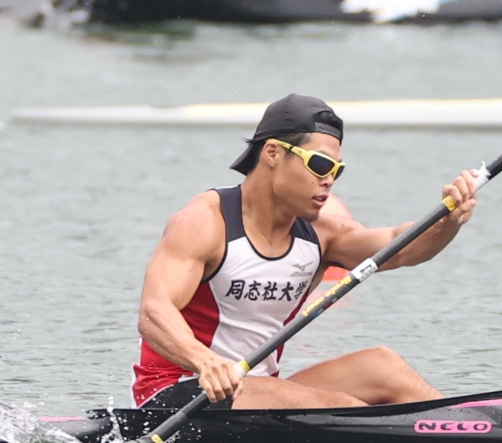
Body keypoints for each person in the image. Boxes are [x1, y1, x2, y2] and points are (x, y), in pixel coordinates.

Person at [131, 94, 478, 411]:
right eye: (320, 165)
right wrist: (206, 362)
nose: (329, 179)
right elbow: (153, 313)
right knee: (342, 406)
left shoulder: (322, 236)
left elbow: (400, 246)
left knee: (384, 366)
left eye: (337, 170)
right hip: (181, 392)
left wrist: (448, 219)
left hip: (257, 390)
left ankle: (465, 430)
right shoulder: (205, 222)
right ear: (272, 153)